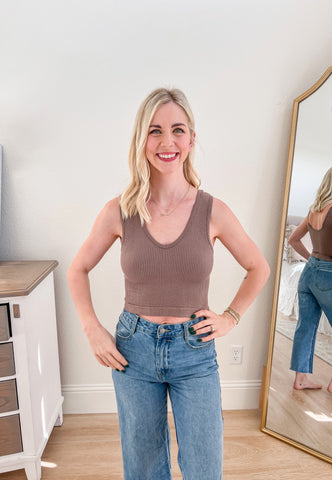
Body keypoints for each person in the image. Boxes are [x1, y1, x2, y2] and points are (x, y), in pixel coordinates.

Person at [67, 87, 270, 480]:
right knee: (143, 468)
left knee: (204, 468)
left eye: (178, 130)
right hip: (134, 351)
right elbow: (78, 269)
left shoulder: (213, 210)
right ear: (141, 140)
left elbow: (258, 267)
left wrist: (230, 316)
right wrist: (92, 329)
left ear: (192, 139)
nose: (167, 141)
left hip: (194, 352)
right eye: (155, 130)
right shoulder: (119, 211)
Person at [289, 164, 332, 402]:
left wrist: (311, 259)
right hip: (329, 275)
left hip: (308, 275)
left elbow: (293, 239)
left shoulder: (314, 210)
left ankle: (300, 378)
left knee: (305, 326)